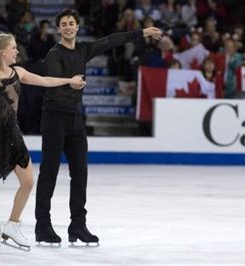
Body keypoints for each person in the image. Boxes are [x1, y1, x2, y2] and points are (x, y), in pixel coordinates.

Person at [0, 0, 86, 251]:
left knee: (27, 181)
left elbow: (45, 80)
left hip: (14, 132)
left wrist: (69, 80)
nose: (17, 51)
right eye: (13, 48)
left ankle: (12, 225)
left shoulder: (19, 72)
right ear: (2, 51)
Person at [35, 8, 162, 245]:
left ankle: (78, 225)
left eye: (71, 22)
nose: (68, 26)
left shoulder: (84, 49)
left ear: (77, 26)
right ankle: (42, 226)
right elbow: (53, 81)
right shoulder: (54, 54)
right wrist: (70, 83)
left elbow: (112, 40)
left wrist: (142, 32)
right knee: (49, 173)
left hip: (75, 118)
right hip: (53, 117)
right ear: (59, 28)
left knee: (80, 173)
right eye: (64, 23)